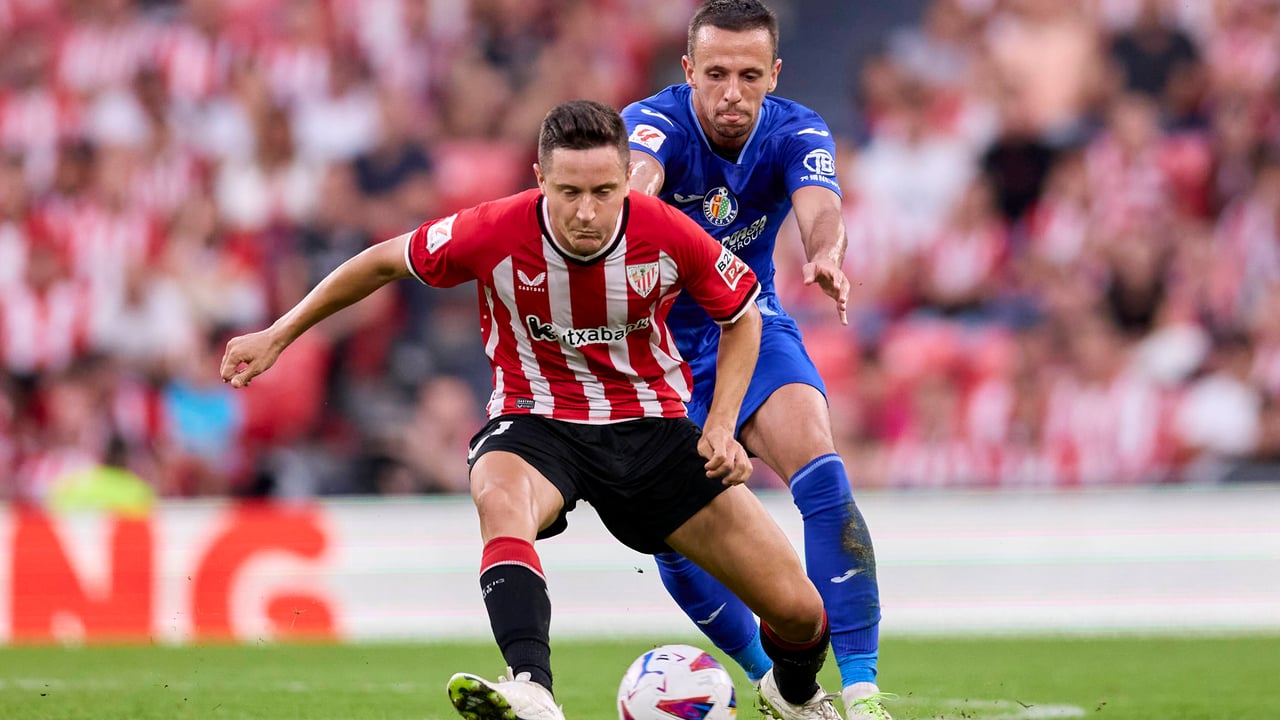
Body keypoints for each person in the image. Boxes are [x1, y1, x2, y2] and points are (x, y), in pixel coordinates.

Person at [221, 100, 841, 720]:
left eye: (603, 192)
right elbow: (383, 261)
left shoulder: (668, 231)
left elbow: (743, 317)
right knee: (500, 497)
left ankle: (792, 696)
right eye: (569, 192)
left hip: (649, 427)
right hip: (537, 420)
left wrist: (721, 425)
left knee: (800, 611)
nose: (586, 212)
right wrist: (278, 333)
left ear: (627, 178)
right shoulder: (494, 228)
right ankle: (530, 688)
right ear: (541, 180)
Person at [622, 2, 893, 718]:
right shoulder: (651, 123)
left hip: (749, 324)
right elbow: (634, 187)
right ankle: (779, 685)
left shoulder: (796, 129)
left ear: (774, 74)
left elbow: (821, 208)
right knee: (676, 538)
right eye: (716, 74)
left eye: (749, 75)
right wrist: (632, 208)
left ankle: (863, 690)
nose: (732, 93)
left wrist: (826, 253)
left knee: (822, 470)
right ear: (689, 71)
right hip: (655, 353)